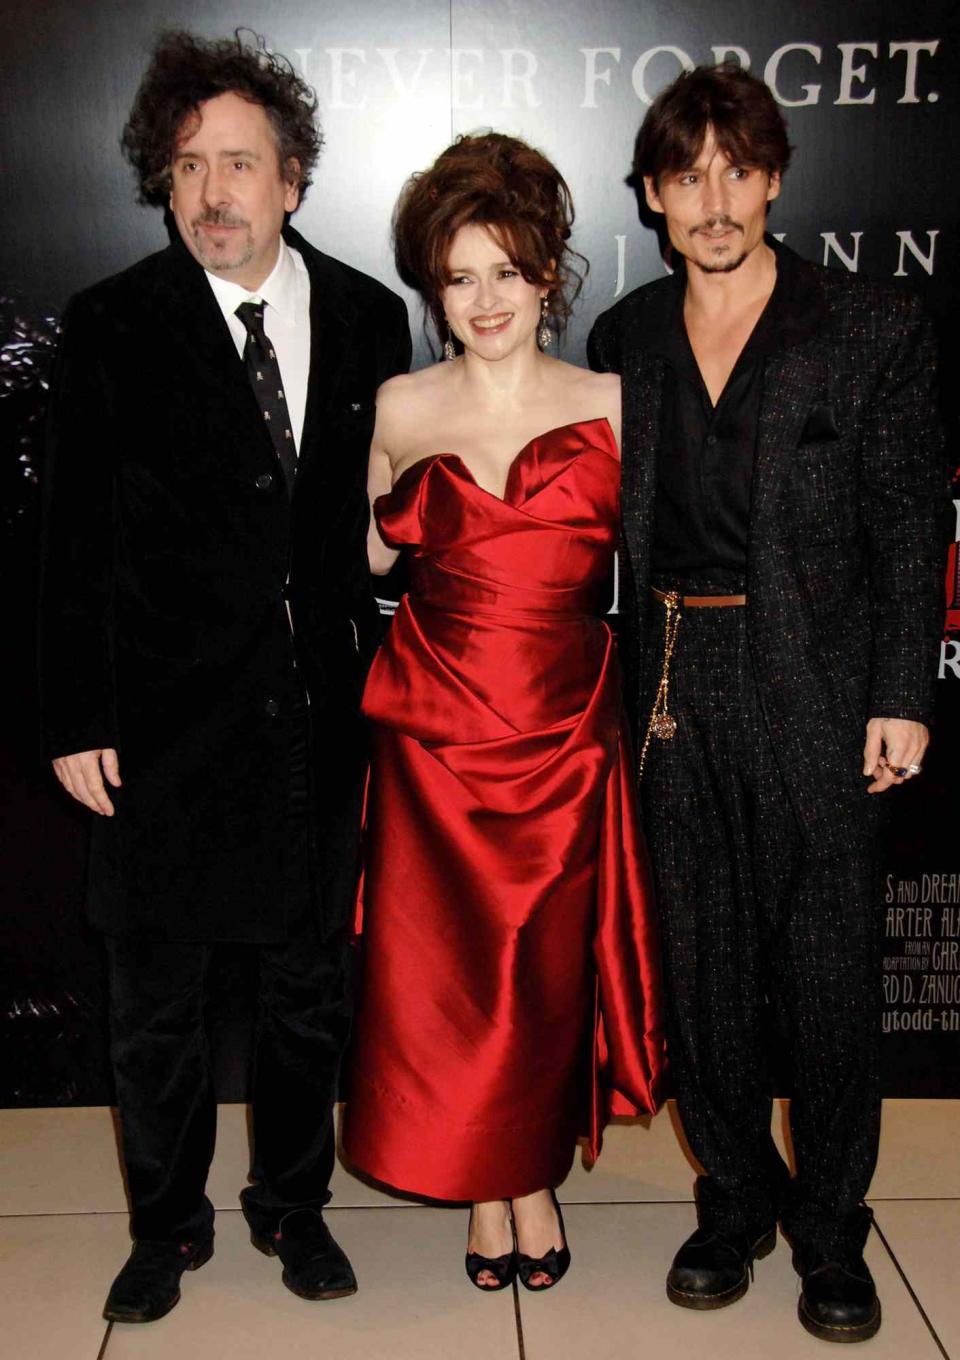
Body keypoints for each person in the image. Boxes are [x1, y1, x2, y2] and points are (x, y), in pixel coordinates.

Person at [38, 30, 410, 1322]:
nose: (214, 194)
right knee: (160, 1007)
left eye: (240, 164)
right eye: (189, 166)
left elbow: (376, 519)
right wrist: (78, 714)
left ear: (293, 178)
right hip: (160, 727)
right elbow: (70, 540)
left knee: (308, 997)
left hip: (316, 724)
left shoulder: (372, 317)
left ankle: (292, 1209)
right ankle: (167, 1223)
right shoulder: (112, 325)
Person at [589, 64, 944, 1343]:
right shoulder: (623, 339)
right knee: (703, 968)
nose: (715, 200)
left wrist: (902, 690)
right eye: (687, 176)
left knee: (832, 975)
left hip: (820, 686)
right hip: (674, 682)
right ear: (651, 193)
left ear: (776, 177)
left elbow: (910, 524)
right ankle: (735, 1194)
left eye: (738, 170)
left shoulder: (868, 325)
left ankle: (835, 1230)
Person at [340, 132, 664, 1293]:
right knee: (453, 976)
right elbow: (371, 557)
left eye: (508, 270)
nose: (484, 299)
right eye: (459, 275)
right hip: (434, 740)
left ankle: (526, 1165)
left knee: (541, 974)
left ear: (548, 274)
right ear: (435, 284)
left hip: (568, 735)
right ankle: (493, 1186)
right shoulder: (400, 401)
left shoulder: (617, 403)